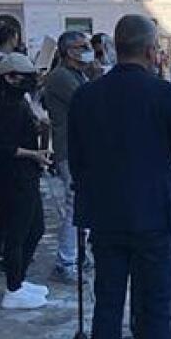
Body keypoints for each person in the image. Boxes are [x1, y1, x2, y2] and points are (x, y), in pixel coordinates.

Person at [68, 15, 171, 339]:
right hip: (154, 219)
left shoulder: (86, 96)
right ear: (150, 50)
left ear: (113, 47)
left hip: (106, 218)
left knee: (107, 307)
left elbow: (77, 161)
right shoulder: (161, 92)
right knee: (156, 308)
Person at [0, 54, 51, 310]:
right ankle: (13, 288)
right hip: (15, 177)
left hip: (25, 174)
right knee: (18, 233)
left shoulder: (18, 102)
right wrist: (33, 154)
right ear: (10, 78)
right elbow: (3, 147)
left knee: (35, 229)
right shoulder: (9, 106)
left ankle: (20, 280)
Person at [40, 31, 94, 283]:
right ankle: (65, 261)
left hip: (82, 148)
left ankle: (80, 255)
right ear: (68, 51)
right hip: (70, 149)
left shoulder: (77, 74)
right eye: (81, 46)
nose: (87, 49)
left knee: (84, 205)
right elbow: (88, 103)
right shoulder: (61, 77)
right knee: (74, 207)